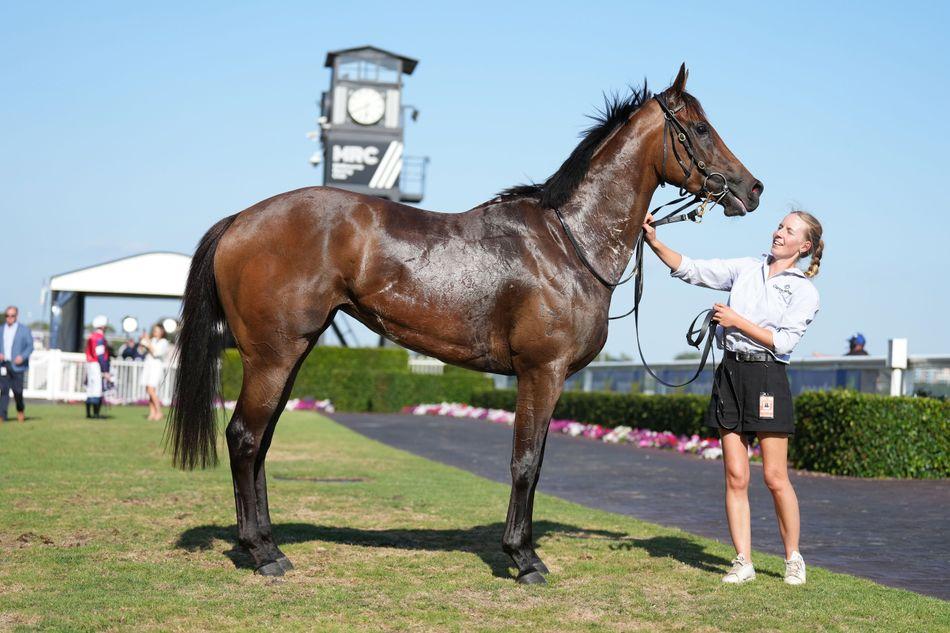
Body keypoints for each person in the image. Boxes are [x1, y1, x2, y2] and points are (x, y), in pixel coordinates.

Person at [643, 209, 823, 586]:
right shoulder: (746, 268)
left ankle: (793, 558)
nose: (778, 233)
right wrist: (656, 242)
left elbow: (784, 342)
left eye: (789, 230)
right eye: (779, 225)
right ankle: (743, 561)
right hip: (730, 372)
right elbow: (693, 269)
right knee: (735, 476)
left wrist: (736, 320)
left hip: (767, 376)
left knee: (775, 477)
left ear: (804, 245)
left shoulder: (804, 290)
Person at [0, 306, 34, 423]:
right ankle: (2, 415)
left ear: (16, 316)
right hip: (4, 364)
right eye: (7, 315)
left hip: (18, 366)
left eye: (12, 315)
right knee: (3, 390)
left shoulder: (24, 330)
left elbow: (30, 346)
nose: (9, 318)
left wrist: (22, 357)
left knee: (17, 391)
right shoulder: (1, 329)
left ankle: (20, 409)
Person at [139, 323, 170, 421]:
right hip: (148, 366)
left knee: (151, 390)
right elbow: (141, 351)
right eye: (154, 330)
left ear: (162, 332)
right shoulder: (152, 340)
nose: (155, 332)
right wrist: (143, 341)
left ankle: (159, 412)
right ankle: (152, 413)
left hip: (156, 367)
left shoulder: (164, 342)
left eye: (157, 330)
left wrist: (148, 341)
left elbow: (155, 353)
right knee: (148, 390)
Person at [84, 315, 111, 419]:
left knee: (90, 389)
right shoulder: (99, 338)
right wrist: (105, 370)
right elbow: (100, 355)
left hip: (90, 364)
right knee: (97, 389)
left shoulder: (91, 336)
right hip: (96, 364)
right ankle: (96, 414)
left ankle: (88, 413)